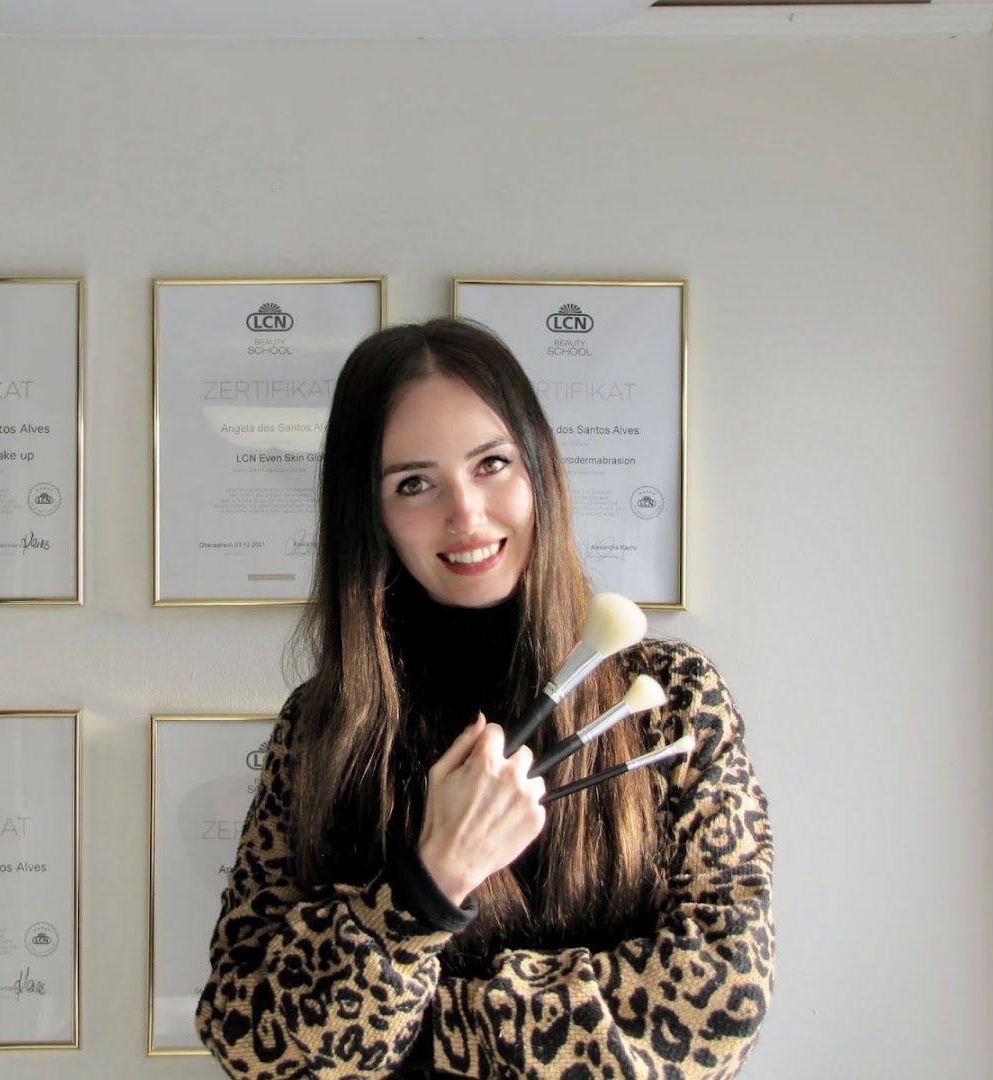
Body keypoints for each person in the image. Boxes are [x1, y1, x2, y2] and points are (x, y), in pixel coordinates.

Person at [196, 318, 774, 1078]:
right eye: (414, 483)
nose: (465, 513)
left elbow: (715, 1008)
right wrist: (426, 885)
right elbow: (247, 1036)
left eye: (492, 464)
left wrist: (427, 1042)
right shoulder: (322, 727)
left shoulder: (669, 702)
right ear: (370, 515)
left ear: (539, 468)